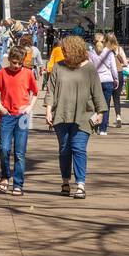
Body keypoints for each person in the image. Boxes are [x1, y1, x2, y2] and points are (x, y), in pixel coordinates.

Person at [45, 35, 105, 199]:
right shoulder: (58, 67)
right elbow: (50, 90)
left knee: (78, 148)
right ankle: (65, 181)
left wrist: (100, 112)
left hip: (83, 116)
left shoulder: (89, 68)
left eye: (65, 50)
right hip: (61, 115)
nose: (62, 52)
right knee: (65, 150)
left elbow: (97, 93)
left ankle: (80, 184)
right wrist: (48, 110)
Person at [0, 45, 39, 195]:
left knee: (20, 152)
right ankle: (5, 176)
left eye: (19, 63)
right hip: (7, 115)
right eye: (14, 63)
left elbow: (35, 92)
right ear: (9, 60)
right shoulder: (2, 73)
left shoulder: (28, 73)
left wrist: (30, 107)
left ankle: (18, 184)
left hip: (23, 116)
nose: (16, 66)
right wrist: (1, 107)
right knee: (4, 149)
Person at [90, 33, 120, 135]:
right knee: (105, 106)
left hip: (95, 81)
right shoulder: (109, 53)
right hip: (107, 81)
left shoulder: (91, 53)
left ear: (94, 42)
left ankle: (94, 126)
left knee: (95, 105)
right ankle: (103, 129)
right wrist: (116, 80)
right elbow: (114, 69)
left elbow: (90, 69)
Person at [106, 33, 128, 127]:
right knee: (117, 98)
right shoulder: (119, 49)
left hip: (107, 75)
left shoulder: (103, 50)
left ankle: (105, 120)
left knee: (106, 98)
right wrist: (119, 64)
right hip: (118, 74)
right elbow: (125, 63)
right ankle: (118, 116)